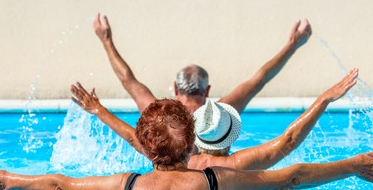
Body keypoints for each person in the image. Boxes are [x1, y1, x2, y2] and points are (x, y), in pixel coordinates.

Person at [0, 99, 373, 190]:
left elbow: (59, 185)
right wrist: (353, 164)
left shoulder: (125, 187)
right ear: (191, 141)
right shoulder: (219, 182)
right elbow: (293, 177)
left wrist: (9, 178)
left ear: (145, 146)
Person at [71, 68, 359, 170]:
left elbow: (134, 137)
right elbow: (289, 140)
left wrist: (98, 109)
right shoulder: (234, 165)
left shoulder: (170, 158)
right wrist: (324, 99)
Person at [93, 13, 312, 114]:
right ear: (207, 90)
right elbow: (260, 79)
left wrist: (107, 41)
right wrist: (292, 45)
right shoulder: (222, 113)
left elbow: (127, 80)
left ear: (176, 88)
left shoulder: (158, 113)